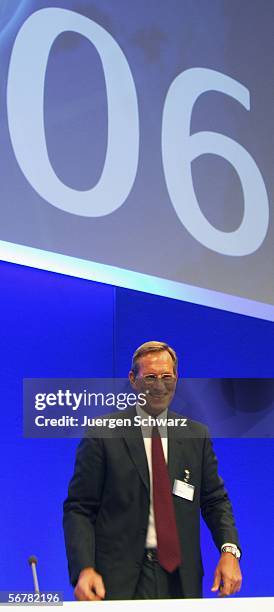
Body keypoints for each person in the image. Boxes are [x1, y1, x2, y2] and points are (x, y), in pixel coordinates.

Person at [63, 341, 242, 600]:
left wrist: (229, 551)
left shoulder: (195, 435)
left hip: (181, 579)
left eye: (166, 377)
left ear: (177, 378)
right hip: (118, 580)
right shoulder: (103, 434)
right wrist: (84, 568)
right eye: (150, 377)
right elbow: (79, 508)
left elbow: (215, 500)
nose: (159, 386)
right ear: (133, 380)